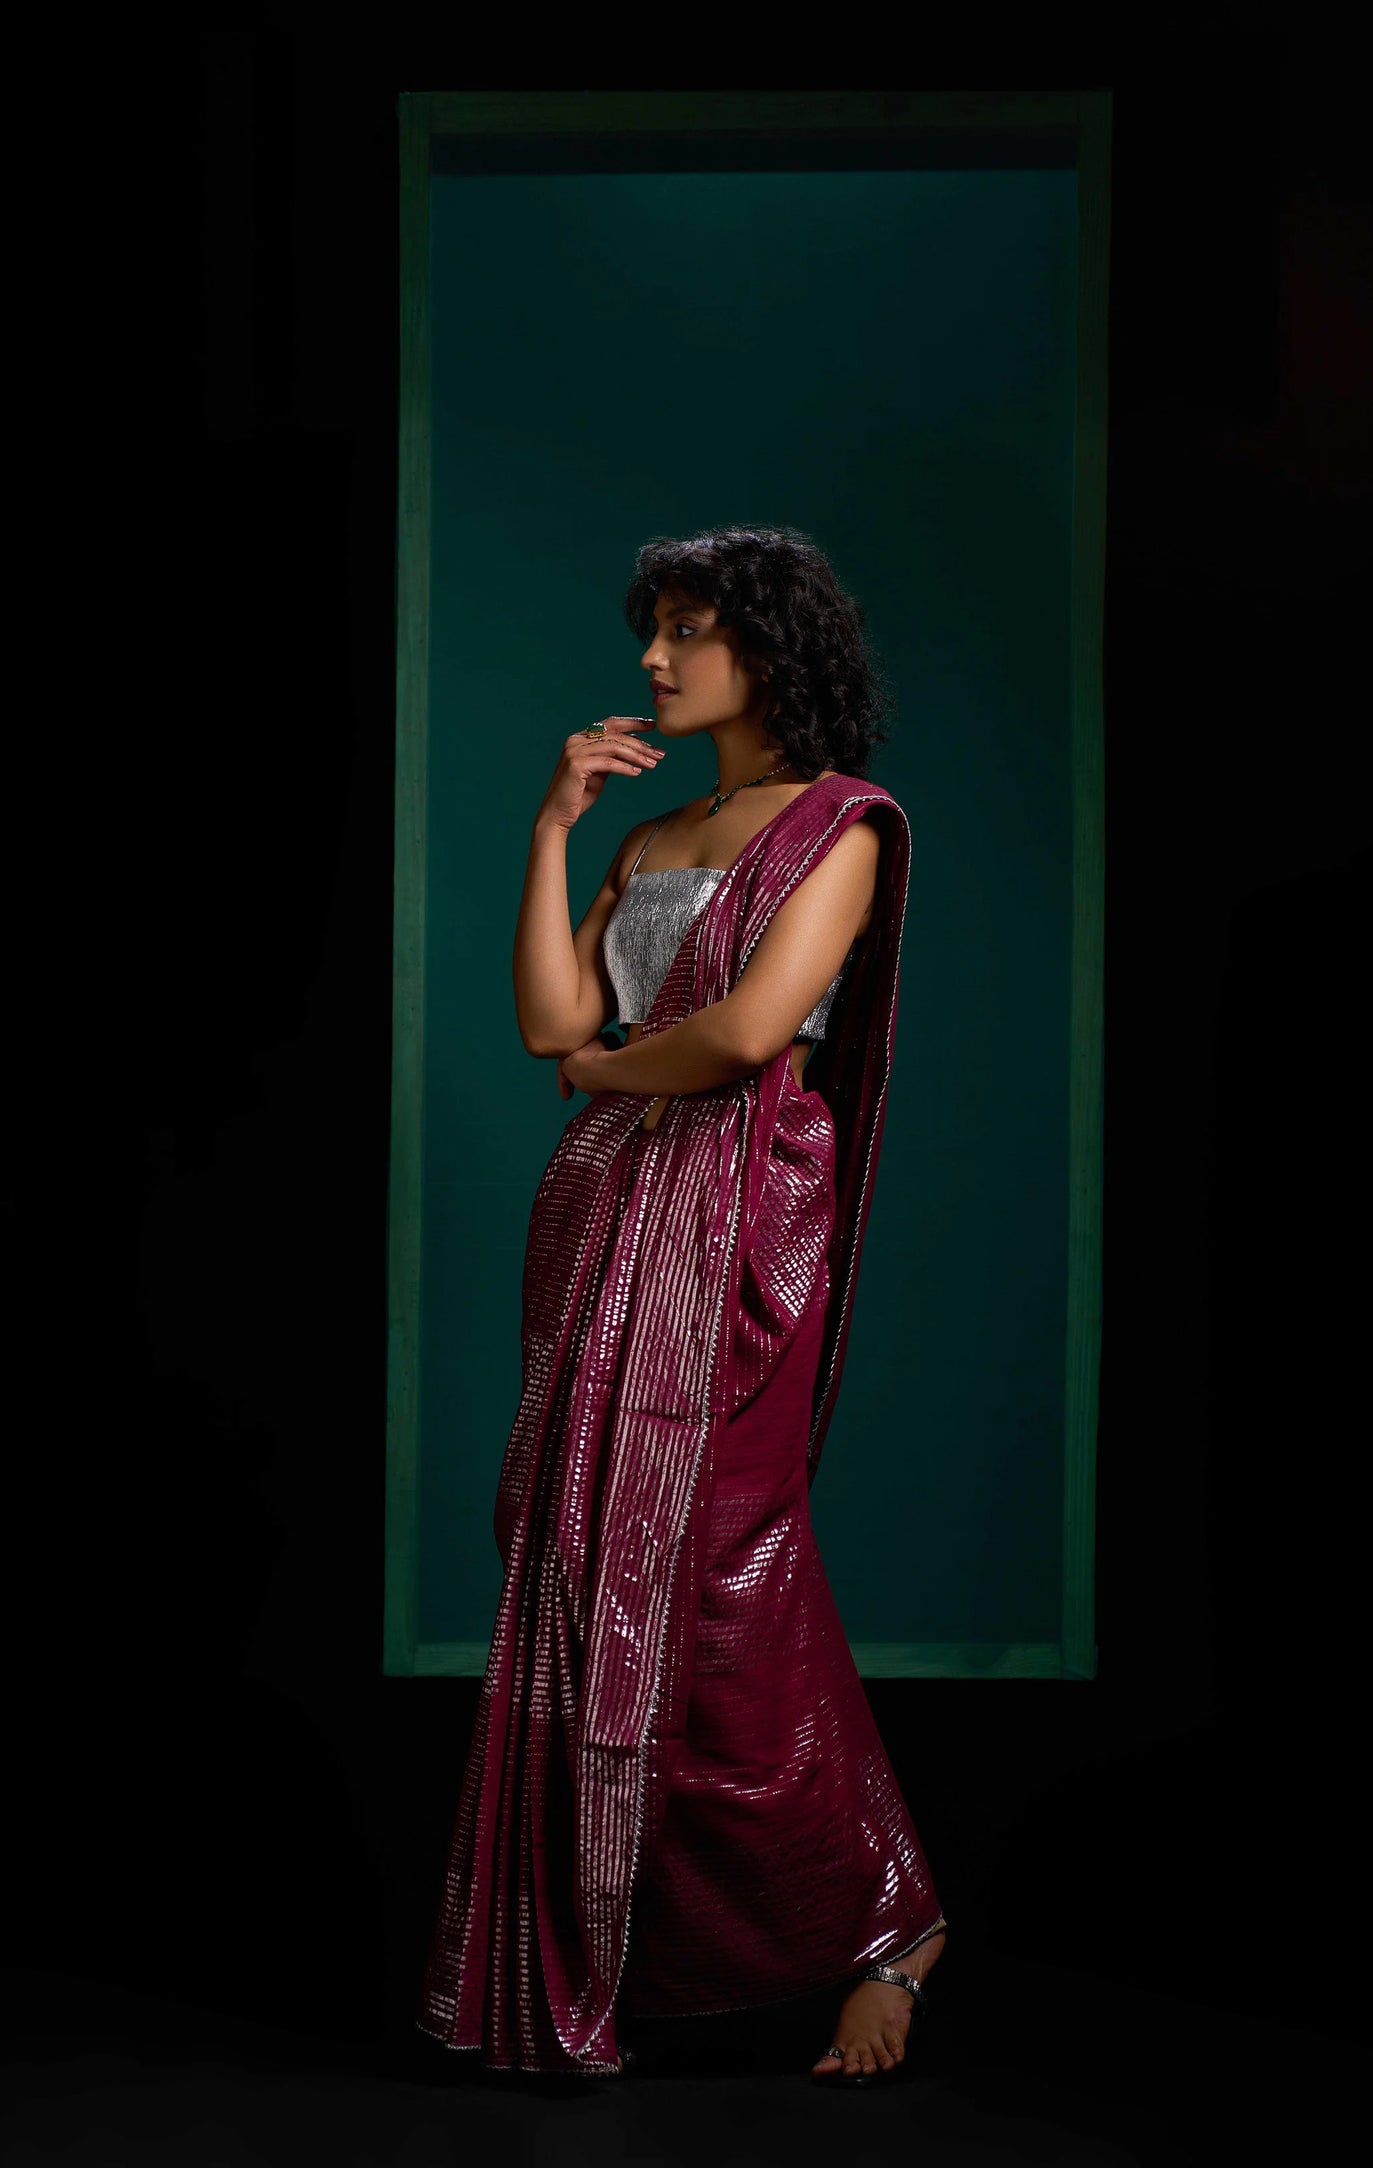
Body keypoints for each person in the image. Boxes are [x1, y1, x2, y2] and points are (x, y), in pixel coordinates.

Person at [415, 526, 946, 2086]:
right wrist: (552, 825)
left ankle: (888, 1922)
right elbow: (549, 1017)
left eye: (685, 630)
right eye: (651, 630)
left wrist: (604, 1072)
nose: (651, 660)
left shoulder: (841, 827)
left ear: (768, 646)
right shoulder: (654, 835)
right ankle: (619, 1924)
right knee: (577, 1558)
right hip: (605, 1213)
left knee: (721, 1569)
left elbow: (746, 1035)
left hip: (732, 1226)